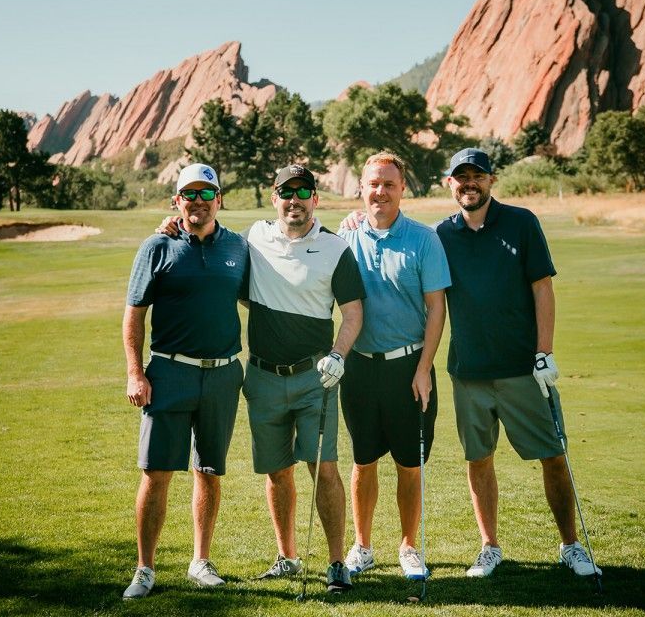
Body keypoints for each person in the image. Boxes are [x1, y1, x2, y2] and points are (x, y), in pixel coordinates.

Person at [158, 163, 365, 593]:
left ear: (315, 199)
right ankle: (287, 557)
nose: (295, 200)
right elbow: (211, 243)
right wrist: (175, 223)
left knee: (323, 468)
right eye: (285, 192)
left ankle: (336, 563)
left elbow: (354, 312)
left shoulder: (335, 247)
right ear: (274, 198)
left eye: (303, 191)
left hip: (316, 377)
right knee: (276, 471)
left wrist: (338, 354)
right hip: (263, 377)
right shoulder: (252, 239)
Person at [435, 147, 602, 579]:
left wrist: (544, 351)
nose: (469, 183)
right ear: (448, 183)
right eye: (461, 177)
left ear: (492, 180)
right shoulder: (440, 235)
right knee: (479, 459)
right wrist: (355, 220)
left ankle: (570, 545)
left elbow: (542, 288)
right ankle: (489, 546)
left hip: (523, 370)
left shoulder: (522, 222)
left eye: (477, 175)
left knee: (553, 455)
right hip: (468, 372)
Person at [121, 163, 250, 600]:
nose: (198, 200)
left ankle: (201, 560)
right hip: (170, 372)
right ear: (177, 201)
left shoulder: (238, 246)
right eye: (189, 193)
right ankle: (144, 569)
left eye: (206, 192)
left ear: (219, 198)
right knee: (156, 473)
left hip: (222, 374)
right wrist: (135, 372)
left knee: (209, 471)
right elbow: (134, 314)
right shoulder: (158, 246)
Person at [335, 152, 450, 581]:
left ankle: (408, 545)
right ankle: (362, 546)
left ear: (403, 189)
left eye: (388, 184)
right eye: (373, 184)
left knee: (409, 463)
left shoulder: (424, 240)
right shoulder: (345, 238)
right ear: (360, 189)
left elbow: (436, 310)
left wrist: (424, 369)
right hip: (360, 370)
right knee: (363, 461)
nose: (380, 191)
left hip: (409, 369)